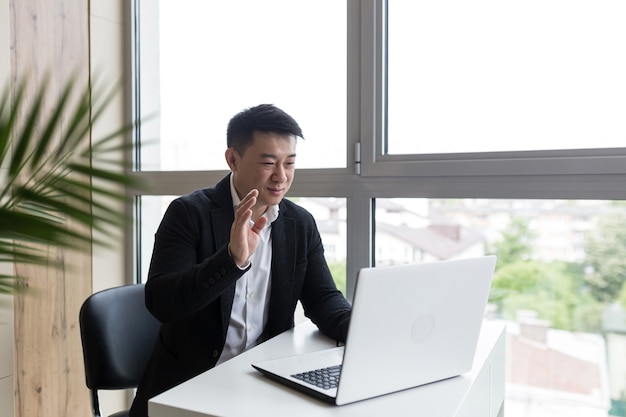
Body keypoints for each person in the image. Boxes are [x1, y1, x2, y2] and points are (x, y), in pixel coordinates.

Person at [129, 104, 352, 417]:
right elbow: (162, 302)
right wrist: (231, 260)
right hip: (190, 386)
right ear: (232, 159)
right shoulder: (189, 214)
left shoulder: (299, 224)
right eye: (268, 163)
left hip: (261, 383)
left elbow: (324, 300)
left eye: (290, 163)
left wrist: (366, 330)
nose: (281, 176)